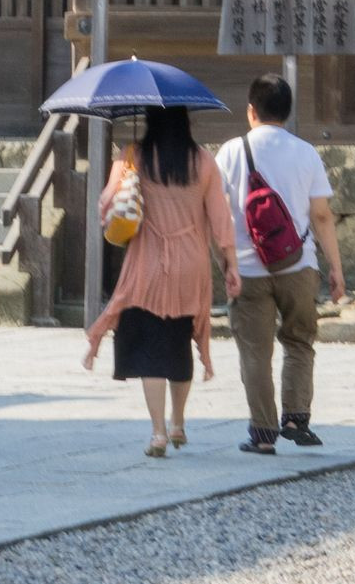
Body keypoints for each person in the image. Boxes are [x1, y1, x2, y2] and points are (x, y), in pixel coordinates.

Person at [80, 103, 228, 457]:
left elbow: (107, 204)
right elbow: (221, 219)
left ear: (149, 120)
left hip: (146, 263)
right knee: (179, 341)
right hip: (191, 263)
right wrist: (231, 265)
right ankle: (179, 422)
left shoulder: (133, 155)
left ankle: (158, 432)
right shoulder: (204, 161)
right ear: (186, 120)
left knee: (151, 350)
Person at [214, 74, 348, 454]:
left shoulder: (230, 152)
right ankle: (295, 418)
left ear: (251, 111)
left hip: (247, 269)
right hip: (298, 265)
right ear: (287, 112)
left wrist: (226, 263)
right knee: (299, 341)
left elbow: (218, 215)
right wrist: (335, 267)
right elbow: (321, 216)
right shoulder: (306, 153)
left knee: (255, 352)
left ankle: (262, 433)